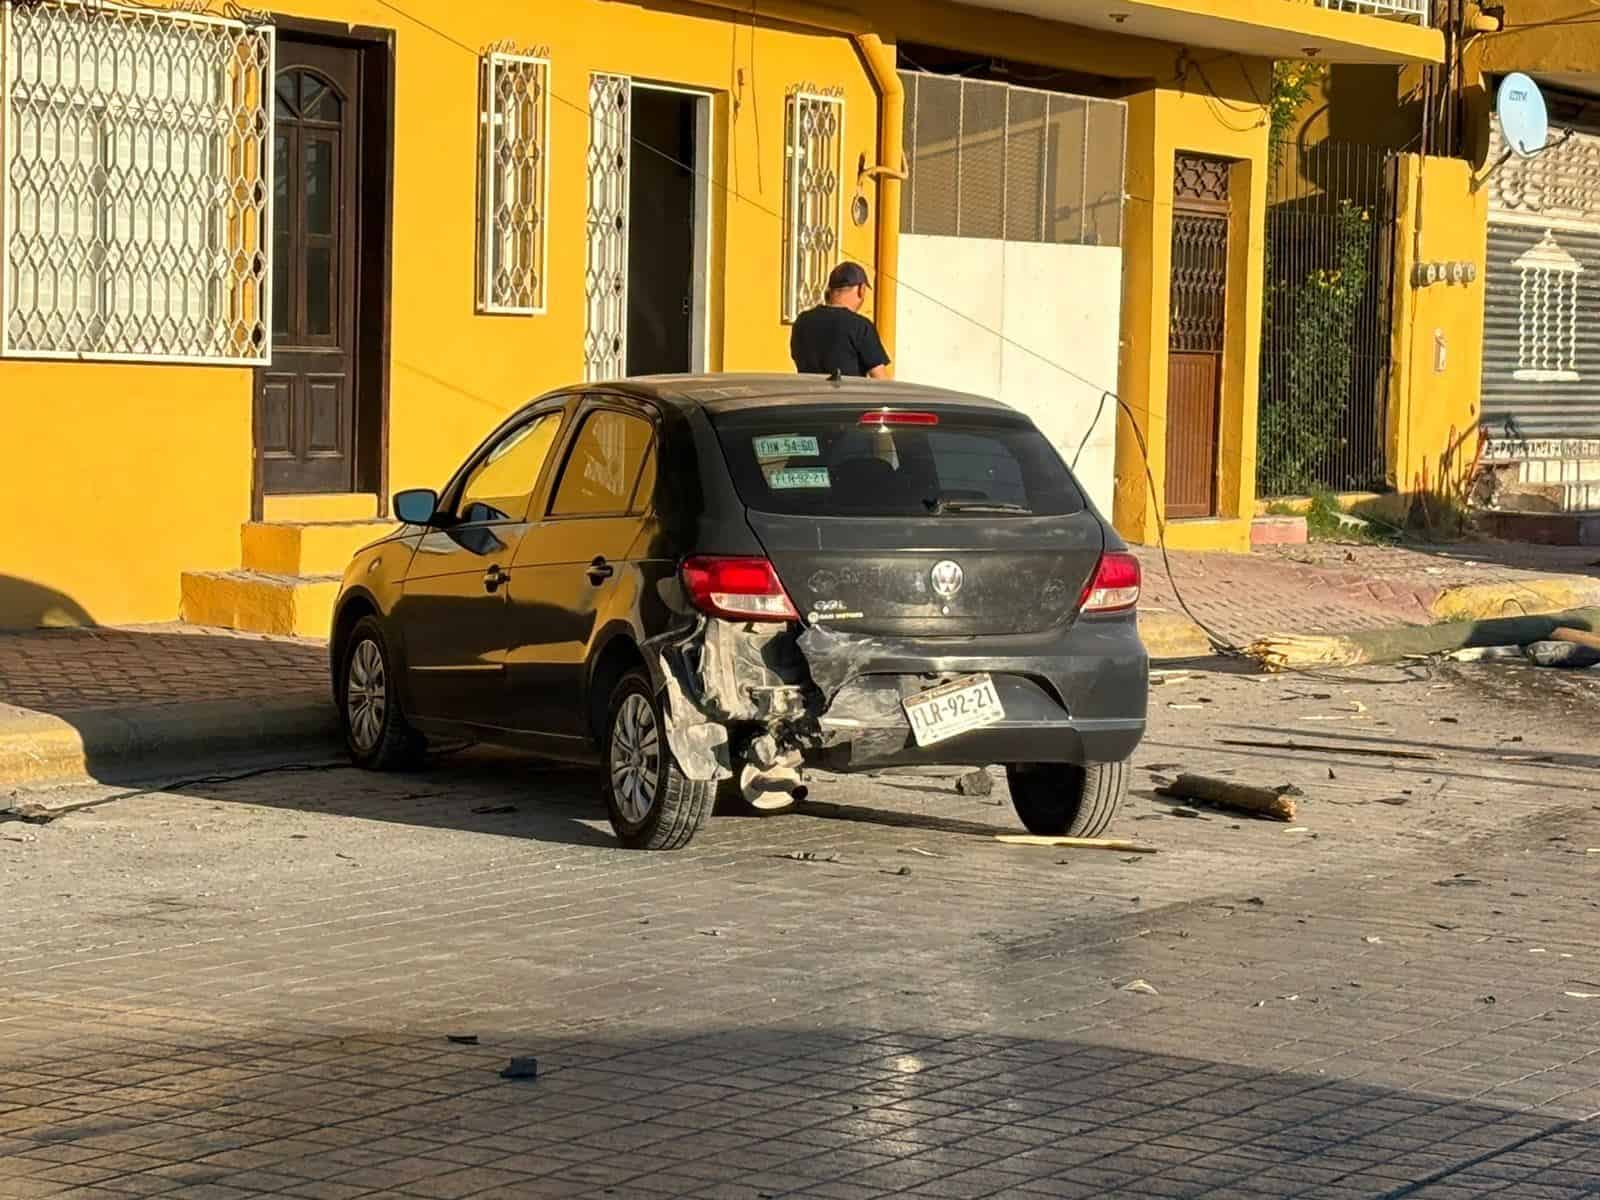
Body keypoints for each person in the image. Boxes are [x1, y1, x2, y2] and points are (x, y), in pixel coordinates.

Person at [789, 262, 891, 379]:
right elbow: (880, 380)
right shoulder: (860, 326)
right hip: (846, 396)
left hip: (808, 395)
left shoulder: (802, 321)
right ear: (861, 290)